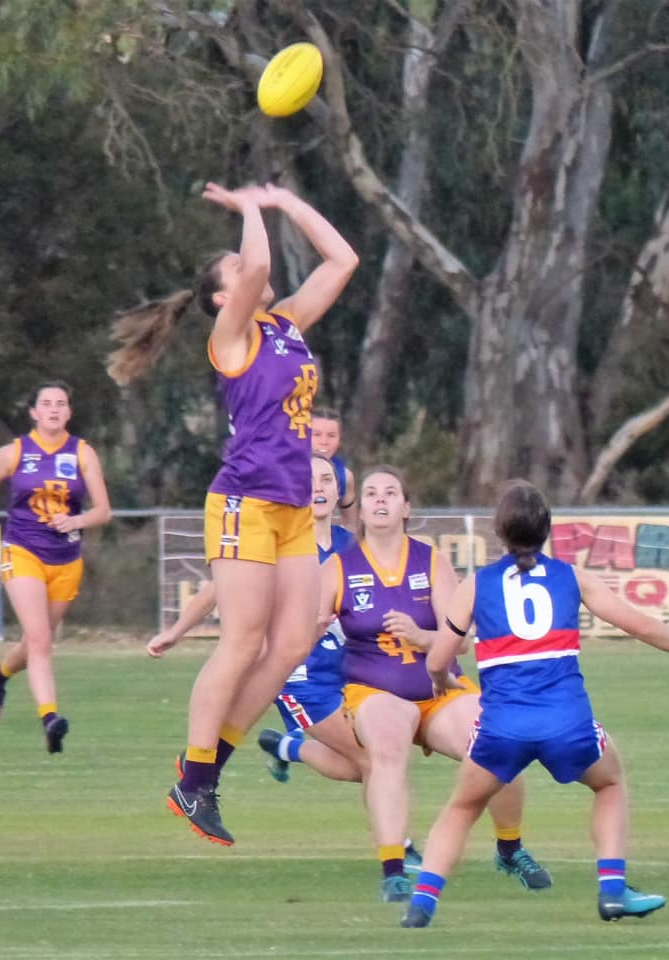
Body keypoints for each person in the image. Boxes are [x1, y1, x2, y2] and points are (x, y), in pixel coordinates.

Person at [111, 181, 359, 845]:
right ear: (223, 297)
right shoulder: (230, 337)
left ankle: (201, 776)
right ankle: (196, 777)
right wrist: (249, 209)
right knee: (243, 640)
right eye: (233, 271)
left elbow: (343, 262)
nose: (245, 271)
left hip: (293, 506)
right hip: (245, 500)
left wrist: (285, 201)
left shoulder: (286, 328)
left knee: (295, 642)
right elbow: (262, 267)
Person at [401, 479, 669, 928]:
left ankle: (421, 906)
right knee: (609, 783)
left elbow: (439, 658)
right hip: (566, 722)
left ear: (499, 532)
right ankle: (612, 891)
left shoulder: (476, 585)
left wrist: (440, 683)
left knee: (463, 807)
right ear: (548, 530)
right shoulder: (573, 577)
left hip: (502, 727)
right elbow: (643, 627)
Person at [148, 454, 424, 871]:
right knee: (374, 761)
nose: (318, 487)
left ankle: (286, 747)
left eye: (327, 479)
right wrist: (178, 629)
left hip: (350, 674)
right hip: (302, 680)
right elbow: (216, 588)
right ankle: (400, 852)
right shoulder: (281, 544)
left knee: (358, 767)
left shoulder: (352, 546)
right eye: (308, 479)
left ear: (339, 491)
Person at [318, 466, 551, 902]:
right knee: (386, 747)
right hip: (375, 688)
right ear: (361, 508)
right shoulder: (337, 568)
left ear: (407, 507)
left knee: (500, 737)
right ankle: (394, 869)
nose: (380, 499)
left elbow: (459, 641)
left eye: (391, 492)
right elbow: (307, 629)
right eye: (370, 493)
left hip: (439, 689)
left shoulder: (430, 560)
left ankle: (510, 847)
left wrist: (423, 636)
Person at [0, 381, 112, 753]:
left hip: (66, 560)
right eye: (47, 403)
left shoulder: (83, 453)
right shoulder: (13, 453)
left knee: (32, 644)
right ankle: (50, 719)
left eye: (61, 404)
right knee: (42, 640)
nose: (54, 409)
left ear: (69, 412)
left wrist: (76, 522)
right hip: (22, 551)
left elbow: (103, 511)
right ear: (34, 412)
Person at [311, 407, 357, 530]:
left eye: (331, 436)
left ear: (339, 439)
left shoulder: (345, 476)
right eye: (316, 435)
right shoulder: (287, 470)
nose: (324, 442)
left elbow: (352, 526)